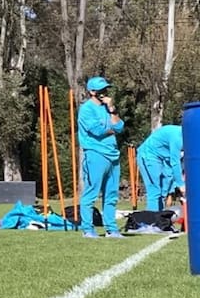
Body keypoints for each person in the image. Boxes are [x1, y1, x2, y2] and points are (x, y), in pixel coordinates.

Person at [76, 76, 125, 238]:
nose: (105, 92)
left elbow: (120, 126)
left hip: (113, 155)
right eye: (101, 90)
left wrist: (112, 110)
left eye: (106, 89)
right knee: (91, 193)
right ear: (92, 92)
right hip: (95, 154)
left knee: (111, 195)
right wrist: (113, 128)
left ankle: (112, 229)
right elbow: (98, 131)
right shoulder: (87, 109)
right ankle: (88, 229)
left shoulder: (107, 108)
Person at [136, 124, 184, 211]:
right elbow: (175, 162)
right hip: (148, 156)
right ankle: (152, 222)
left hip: (164, 159)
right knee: (154, 191)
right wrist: (181, 184)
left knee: (163, 192)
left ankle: (159, 219)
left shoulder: (190, 137)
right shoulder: (178, 138)